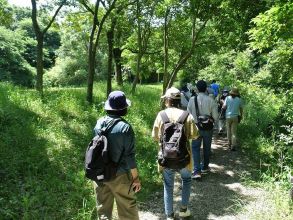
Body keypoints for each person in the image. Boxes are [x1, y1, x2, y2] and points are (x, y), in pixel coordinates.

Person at [93, 91, 141, 220]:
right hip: (120, 175)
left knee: (103, 210)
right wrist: (135, 178)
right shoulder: (125, 128)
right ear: (123, 108)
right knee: (128, 210)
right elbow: (129, 157)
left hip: (99, 174)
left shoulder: (99, 123)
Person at [152, 87, 199, 220]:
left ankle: (169, 215)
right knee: (187, 180)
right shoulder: (186, 115)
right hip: (184, 157)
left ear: (167, 100)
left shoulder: (161, 115)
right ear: (179, 100)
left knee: (168, 185)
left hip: (166, 158)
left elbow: (155, 136)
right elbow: (194, 135)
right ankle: (183, 210)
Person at [187, 80, 218, 180]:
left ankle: (196, 170)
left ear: (196, 88)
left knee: (195, 148)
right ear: (206, 89)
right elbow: (215, 117)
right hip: (208, 128)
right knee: (207, 147)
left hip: (196, 127)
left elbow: (188, 114)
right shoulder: (211, 100)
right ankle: (205, 166)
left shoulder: (192, 100)